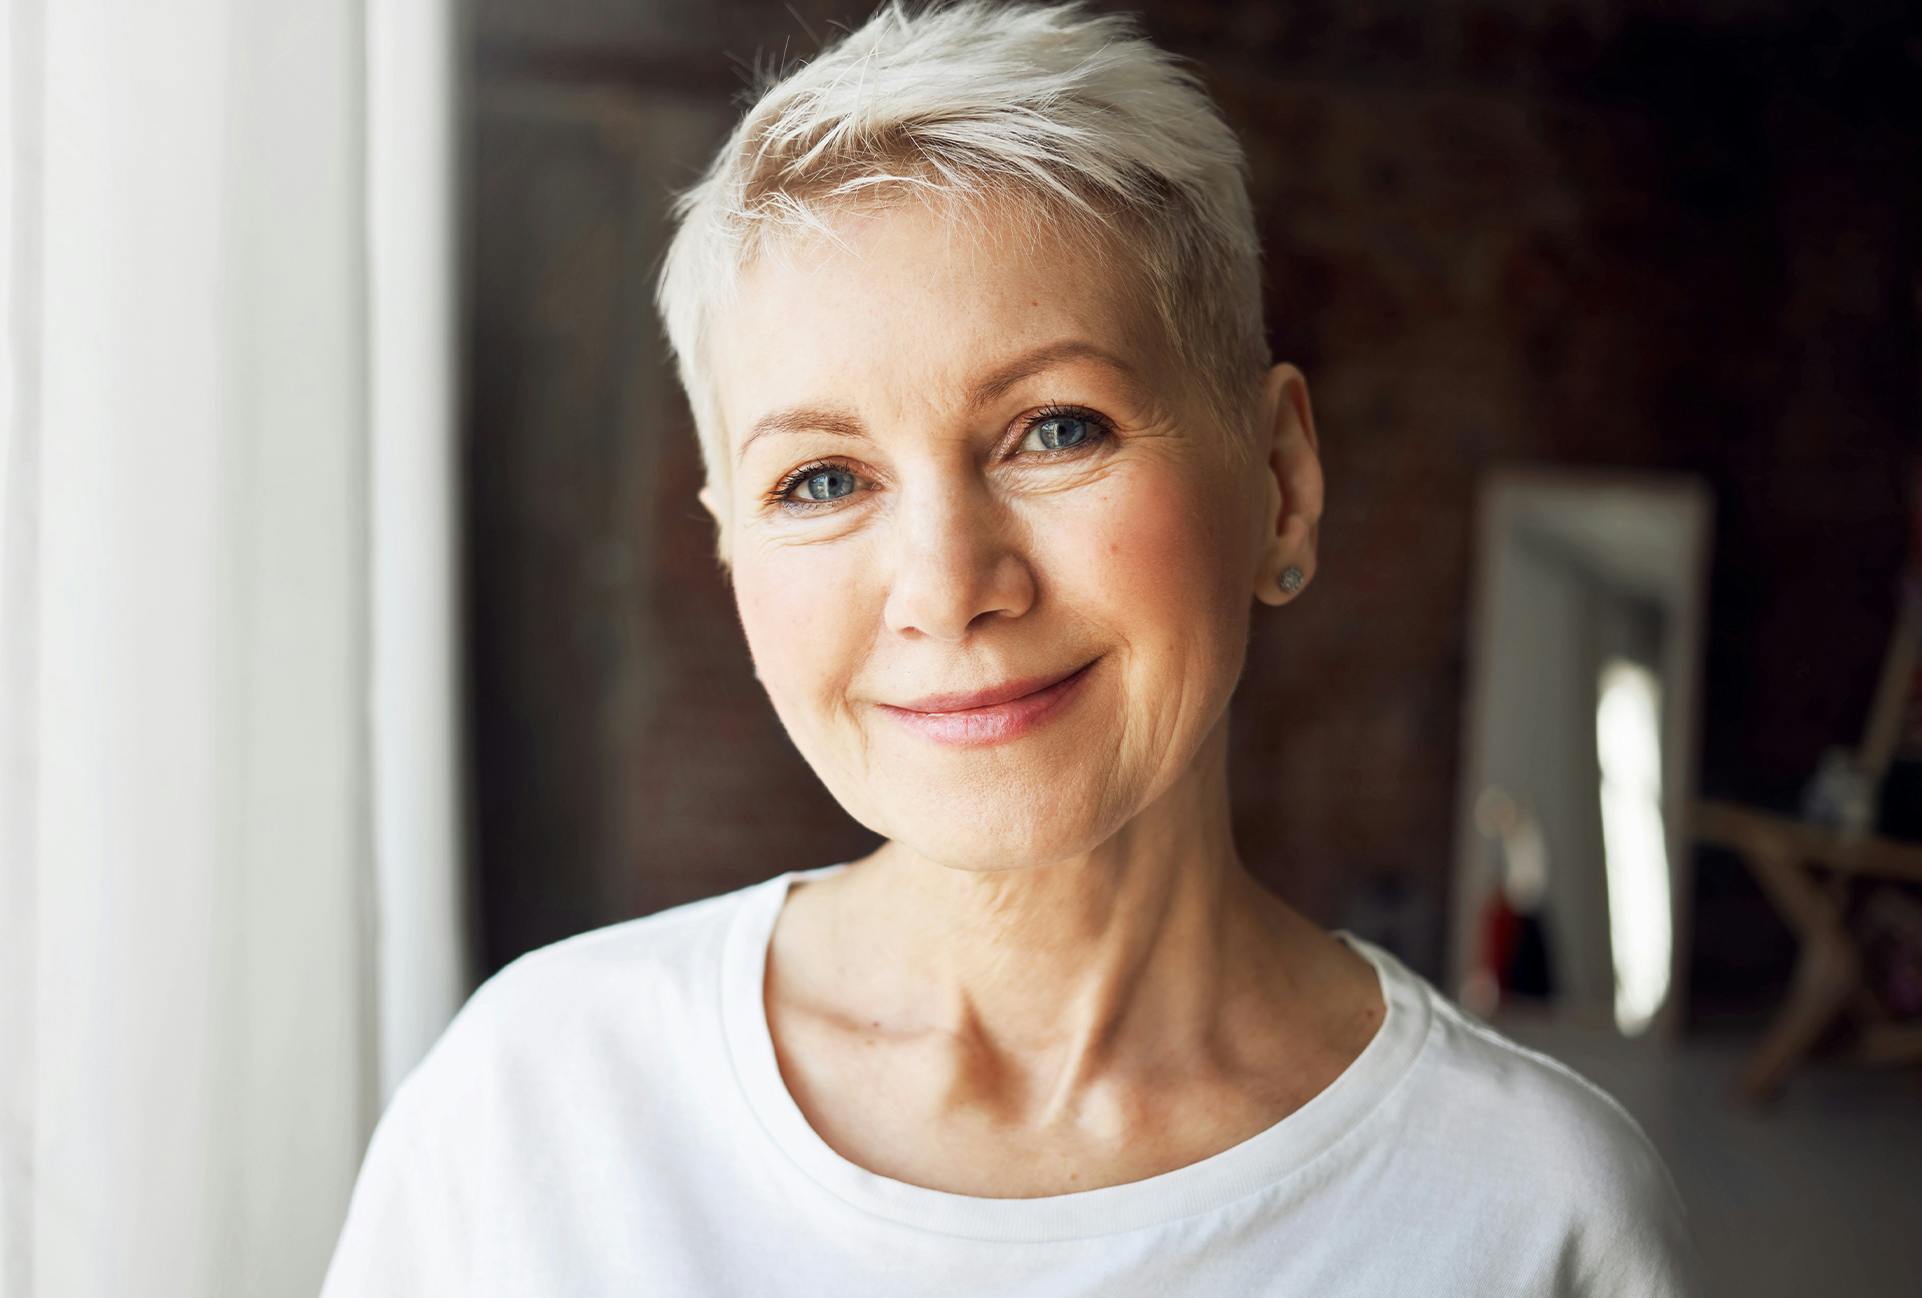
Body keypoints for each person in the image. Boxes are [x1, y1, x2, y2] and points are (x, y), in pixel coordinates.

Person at [320, 2, 1700, 1292]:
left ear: (1278, 479)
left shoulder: (1526, 1211)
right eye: (819, 480)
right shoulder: (533, 1105)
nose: (945, 586)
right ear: (731, 547)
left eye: (1055, 428)